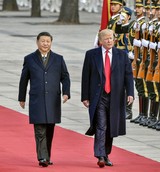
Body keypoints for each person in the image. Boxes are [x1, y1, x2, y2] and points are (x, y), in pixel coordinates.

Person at [81, 29, 134, 168]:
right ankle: (100, 156)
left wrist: (130, 93)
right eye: (106, 39)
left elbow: (128, 75)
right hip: (98, 96)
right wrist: (85, 96)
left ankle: (106, 153)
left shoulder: (122, 55)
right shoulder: (91, 55)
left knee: (111, 126)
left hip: (115, 96)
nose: (109, 41)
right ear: (100, 41)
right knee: (101, 125)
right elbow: (85, 76)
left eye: (111, 38)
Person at [18, 32, 71, 167]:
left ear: (51, 43)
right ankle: (42, 157)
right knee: (40, 129)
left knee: (49, 129)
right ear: (37, 42)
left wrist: (66, 93)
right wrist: (21, 98)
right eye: (43, 41)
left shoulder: (58, 59)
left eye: (48, 41)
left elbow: (65, 77)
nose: (45, 44)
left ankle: (47, 156)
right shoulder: (29, 59)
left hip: (53, 100)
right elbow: (24, 79)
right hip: (37, 99)